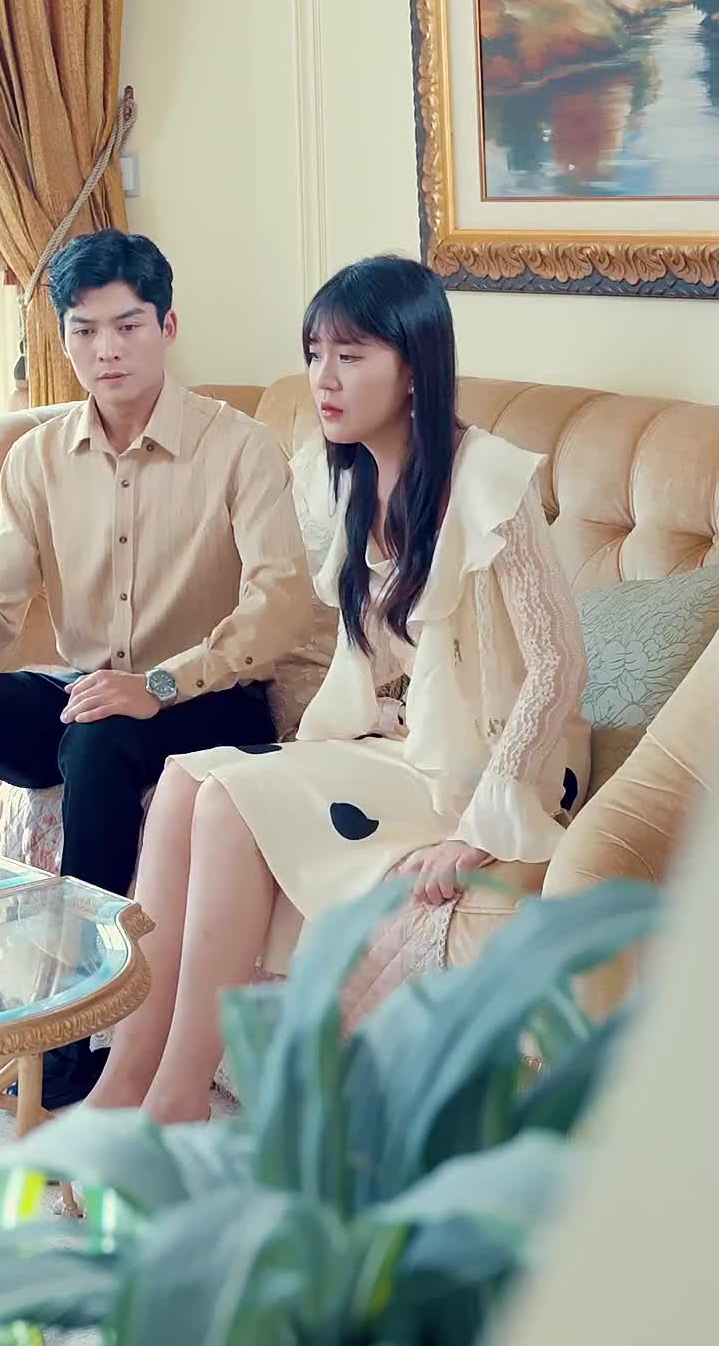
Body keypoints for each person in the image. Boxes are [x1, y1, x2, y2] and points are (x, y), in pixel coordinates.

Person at [86, 254, 591, 1124]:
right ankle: (124, 1081)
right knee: (181, 784)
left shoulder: (488, 479)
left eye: (350, 356)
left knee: (231, 803)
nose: (324, 377)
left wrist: (479, 828)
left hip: (497, 763)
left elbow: (559, 667)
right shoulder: (353, 479)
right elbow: (383, 661)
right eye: (316, 353)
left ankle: (174, 1099)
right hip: (403, 743)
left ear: (414, 367)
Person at [0, 228, 314, 1106]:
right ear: (64, 338)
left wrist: (159, 686)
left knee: (98, 737)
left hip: (210, 699)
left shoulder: (240, 450)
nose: (107, 349)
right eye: (84, 331)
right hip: (87, 693)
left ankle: (76, 1028)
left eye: (127, 326)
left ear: (168, 326)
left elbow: (278, 607)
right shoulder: (39, 459)